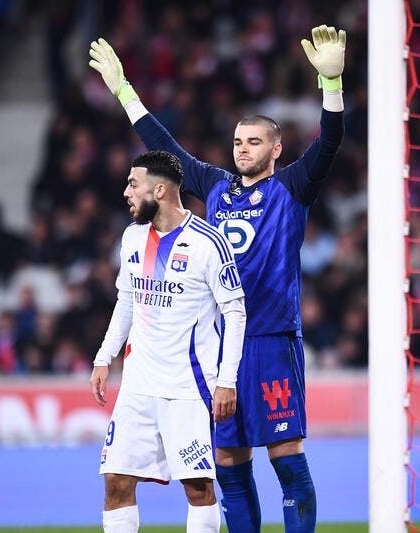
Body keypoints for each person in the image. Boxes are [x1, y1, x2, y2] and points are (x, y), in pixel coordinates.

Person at [89, 23, 346, 532]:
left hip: (271, 339)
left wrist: (332, 87)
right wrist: (125, 93)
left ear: (276, 149)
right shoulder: (219, 188)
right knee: (228, 462)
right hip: (217, 349)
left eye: (254, 142)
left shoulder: (292, 186)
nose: (242, 149)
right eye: (237, 141)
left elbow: (329, 143)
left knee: (285, 455)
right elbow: (170, 155)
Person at [89, 150, 246, 533]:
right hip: (138, 385)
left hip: (188, 388)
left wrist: (227, 380)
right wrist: (104, 356)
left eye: (133, 184)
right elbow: (127, 299)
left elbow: (235, 313)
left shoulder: (209, 243)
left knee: (197, 487)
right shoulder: (132, 237)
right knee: (116, 480)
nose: (126, 192)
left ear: (159, 190)